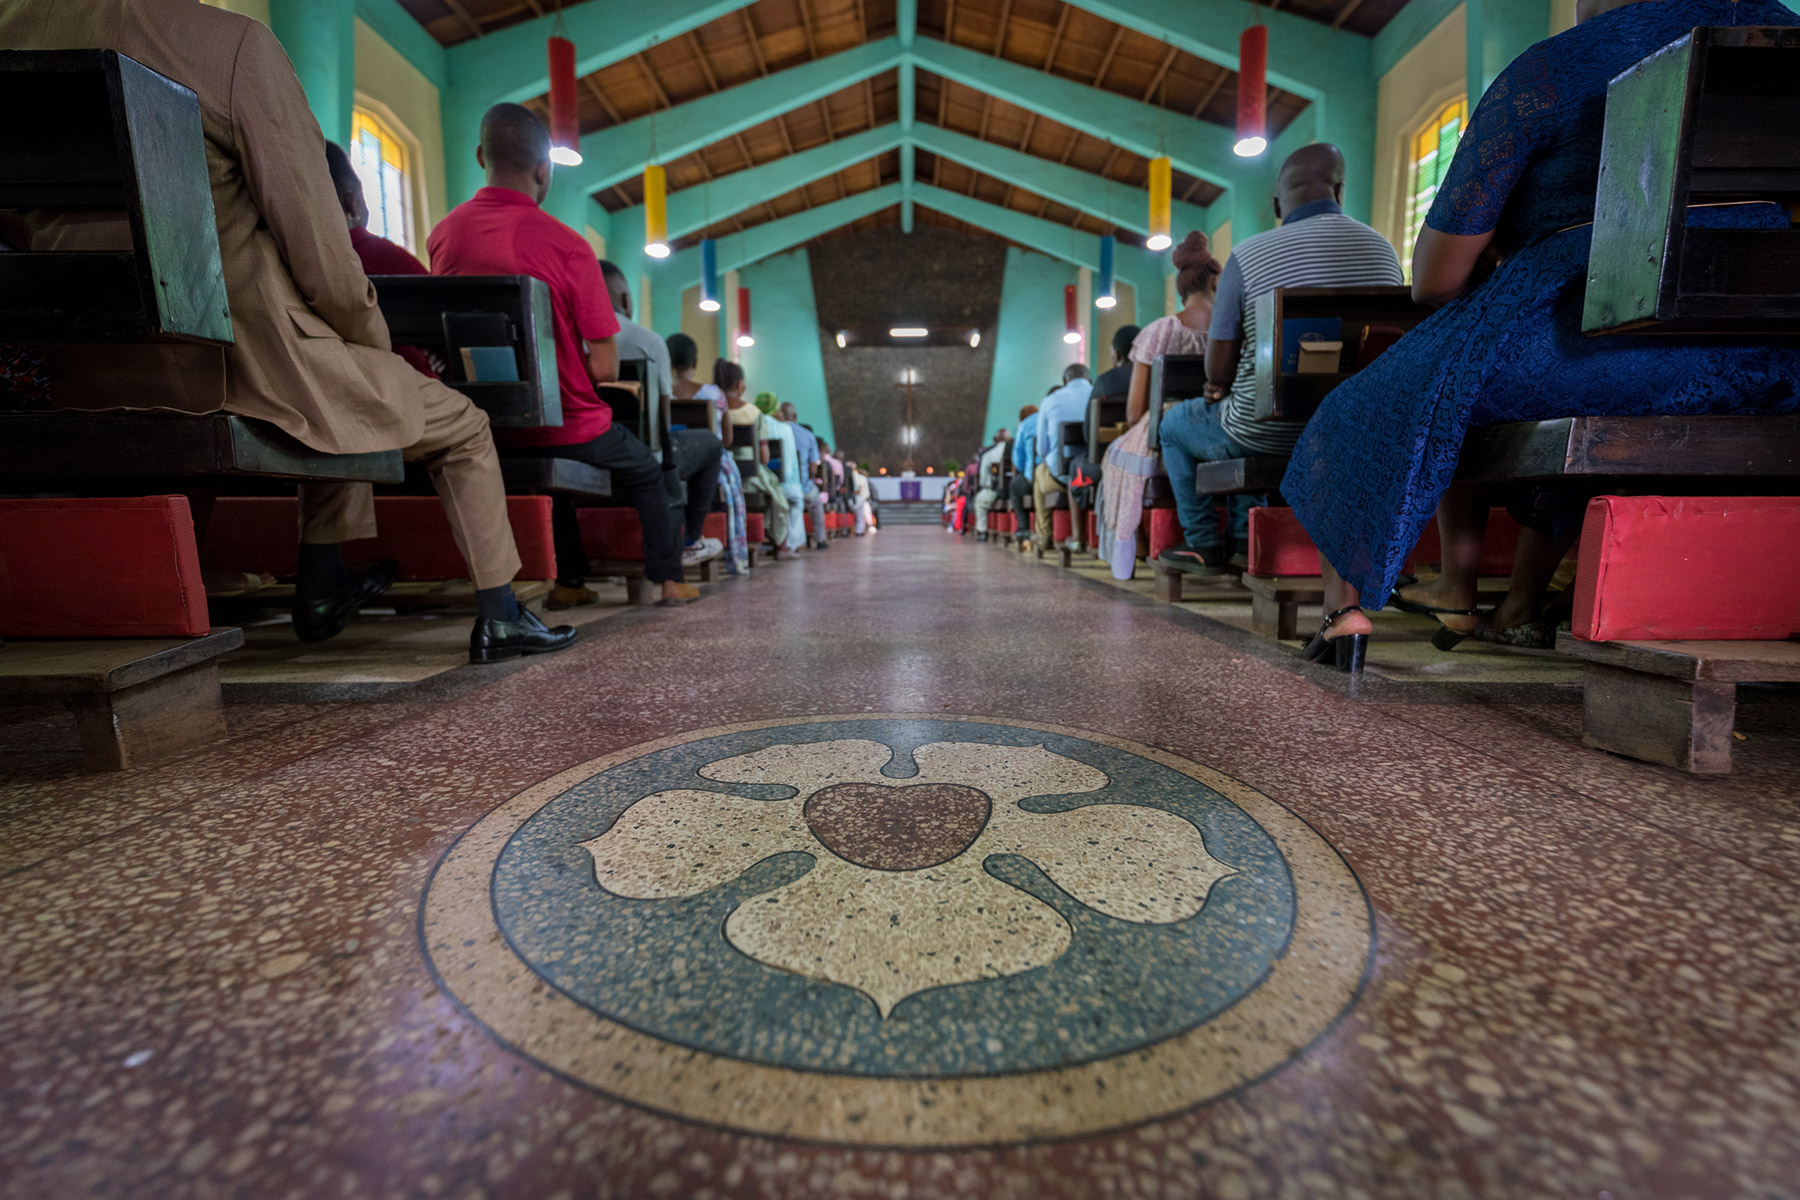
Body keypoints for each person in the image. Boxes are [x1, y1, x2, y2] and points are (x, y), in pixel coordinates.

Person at [0, 0, 576, 663]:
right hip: (239, 366)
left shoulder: (16, 36)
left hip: (89, 370)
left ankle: (325, 582)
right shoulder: (228, 44)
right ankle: (498, 611)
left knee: (352, 388)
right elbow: (322, 251)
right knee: (448, 417)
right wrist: (370, 336)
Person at [1286, 0, 1800, 671]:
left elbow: (1436, 280)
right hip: (1772, 348)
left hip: (1586, 337)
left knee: (1368, 403)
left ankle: (1346, 614)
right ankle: (1520, 603)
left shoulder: (1554, 70)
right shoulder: (1779, 32)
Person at [429, 103, 698, 608]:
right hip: (566, 424)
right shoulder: (568, 247)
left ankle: (570, 581)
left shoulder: (444, 235)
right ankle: (667, 579)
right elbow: (604, 368)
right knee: (645, 464)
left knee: (557, 466)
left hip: (478, 423)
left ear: (481, 156)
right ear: (543, 170)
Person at [1183, 150, 1403, 581]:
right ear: (1339, 191)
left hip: (1265, 431)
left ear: (1279, 206)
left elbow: (1218, 373)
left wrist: (1217, 385)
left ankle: (1205, 545)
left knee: (1175, 425)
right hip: (1351, 430)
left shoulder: (1248, 255)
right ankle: (1246, 539)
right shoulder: (1382, 249)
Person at [597, 258, 723, 578]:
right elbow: (661, 423)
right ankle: (691, 539)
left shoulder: (570, 339)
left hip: (585, 454)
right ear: (626, 299)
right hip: (642, 457)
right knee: (711, 444)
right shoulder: (648, 341)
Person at [324, 141, 439, 380]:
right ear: (352, 202)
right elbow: (441, 316)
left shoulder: (297, 262)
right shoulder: (378, 254)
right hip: (403, 388)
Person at [670, 333, 749, 574]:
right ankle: (718, 548)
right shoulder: (714, 394)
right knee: (717, 457)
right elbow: (726, 440)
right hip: (707, 468)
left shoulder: (662, 390)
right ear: (695, 363)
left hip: (670, 459)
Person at [716, 363, 791, 551]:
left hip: (716, 475)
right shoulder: (753, 413)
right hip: (748, 478)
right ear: (739, 384)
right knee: (777, 495)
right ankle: (779, 545)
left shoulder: (712, 406)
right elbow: (764, 457)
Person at [1033, 365, 1094, 552]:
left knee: (1038, 473)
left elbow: (1041, 449)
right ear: (1089, 379)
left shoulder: (1051, 400)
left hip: (1063, 476)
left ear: (1064, 381)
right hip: (1097, 471)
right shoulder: (1098, 394)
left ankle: (1045, 536)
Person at [754, 392, 805, 560]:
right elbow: (790, 467)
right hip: (784, 484)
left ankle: (778, 542)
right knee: (795, 500)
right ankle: (789, 545)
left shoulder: (753, 421)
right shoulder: (784, 428)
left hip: (751, 481)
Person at [778, 405, 829, 550]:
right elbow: (813, 466)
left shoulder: (775, 431)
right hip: (800, 487)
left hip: (776, 485)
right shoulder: (807, 435)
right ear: (795, 417)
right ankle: (821, 539)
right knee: (816, 501)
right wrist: (810, 479)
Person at [971, 429, 1011, 541]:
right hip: (1012, 489)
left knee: (979, 503)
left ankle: (982, 531)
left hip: (994, 490)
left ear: (995, 439)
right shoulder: (1014, 450)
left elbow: (983, 480)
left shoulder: (988, 454)